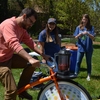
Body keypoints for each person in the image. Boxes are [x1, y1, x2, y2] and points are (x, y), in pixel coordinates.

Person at [0, 7, 50, 100]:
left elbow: (30, 42)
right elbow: (14, 44)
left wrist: (43, 55)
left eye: (32, 23)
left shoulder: (22, 29)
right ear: (24, 16)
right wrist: (30, 58)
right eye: (30, 21)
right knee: (11, 91)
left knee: (31, 64)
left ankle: (22, 91)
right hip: (0, 63)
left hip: (8, 57)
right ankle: (16, 92)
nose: (31, 25)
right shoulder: (8, 25)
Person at [73, 14, 95, 81]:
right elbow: (75, 38)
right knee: (78, 61)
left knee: (88, 62)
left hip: (89, 48)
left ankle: (88, 75)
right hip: (80, 47)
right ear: (82, 19)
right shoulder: (78, 27)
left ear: (88, 20)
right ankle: (76, 73)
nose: (84, 21)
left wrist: (88, 33)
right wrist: (80, 34)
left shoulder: (91, 28)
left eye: (86, 19)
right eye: (83, 19)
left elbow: (93, 38)